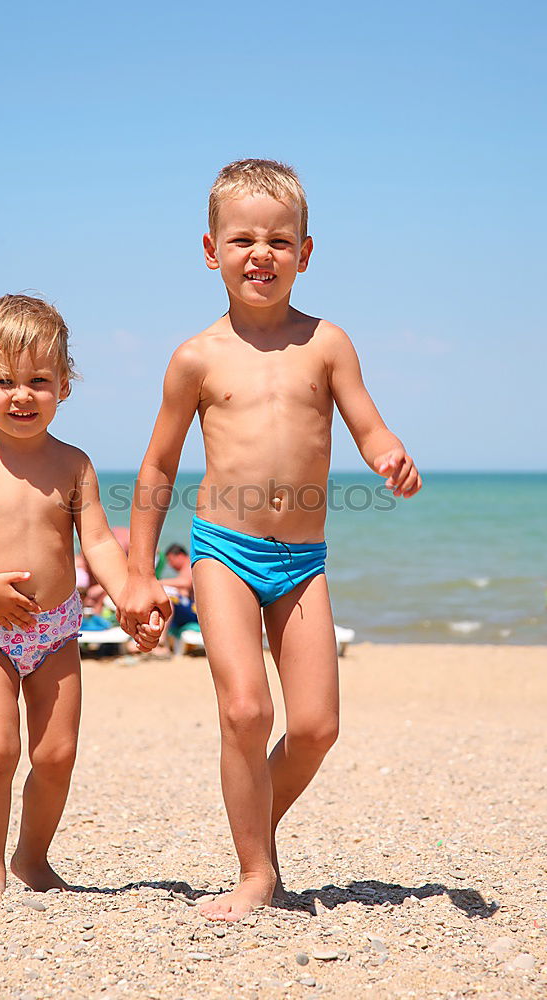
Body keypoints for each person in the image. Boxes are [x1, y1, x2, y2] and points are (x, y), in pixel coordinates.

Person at [120, 159, 422, 921]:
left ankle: (250, 819)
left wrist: (386, 451)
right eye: (243, 239)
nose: (261, 253)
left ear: (306, 252)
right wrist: (138, 573)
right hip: (223, 549)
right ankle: (257, 871)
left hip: (303, 561)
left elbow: (365, 420)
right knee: (246, 712)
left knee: (316, 727)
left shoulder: (326, 343)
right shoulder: (196, 357)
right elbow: (158, 465)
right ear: (209, 249)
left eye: (279, 240)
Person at [0, 294, 161, 903]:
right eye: (4, 381)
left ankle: (32, 860)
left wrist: (131, 591)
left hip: (55, 627)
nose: (22, 395)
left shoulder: (74, 465)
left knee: (55, 754)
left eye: (39, 380)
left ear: (65, 385)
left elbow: (99, 542)